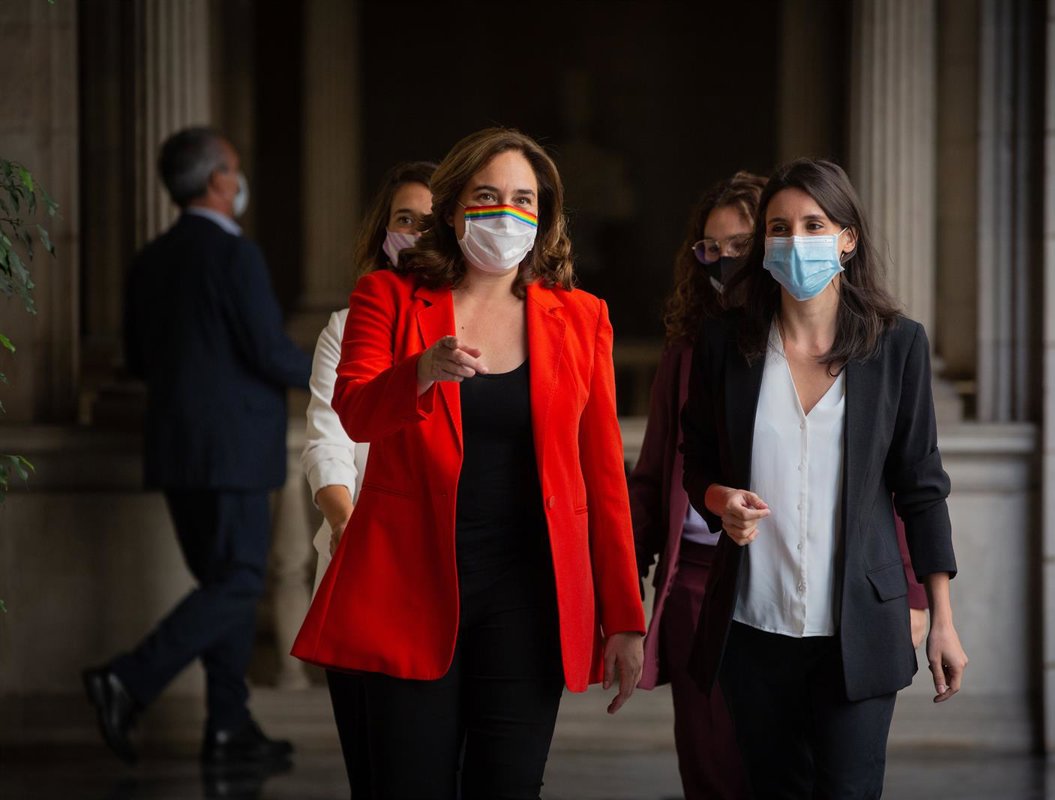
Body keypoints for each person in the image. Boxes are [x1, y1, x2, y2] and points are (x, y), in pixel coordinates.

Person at [291, 127, 646, 798]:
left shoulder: (581, 317)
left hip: (529, 599)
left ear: (543, 216)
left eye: (523, 199)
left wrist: (625, 617)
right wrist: (420, 371)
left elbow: (603, 478)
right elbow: (356, 412)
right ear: (452, 208)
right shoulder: (388, 297)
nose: (504, 213)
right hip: (408, 587)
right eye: (486, 196)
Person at [681, 158, 968, 798]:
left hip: (859, 630)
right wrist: (719, 499)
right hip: (753, 625)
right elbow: (695, 458)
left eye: (814, 225)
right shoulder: (725, 343)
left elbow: (922, 487)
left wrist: (942, 618)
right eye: (779, 228)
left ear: (847, 239)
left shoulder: (897, 346)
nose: (795, 240)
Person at [84, 127, 311, 766]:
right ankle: (126, 679)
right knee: (238, 581)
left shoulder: (149, 259)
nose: (238, 181)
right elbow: (268, 352)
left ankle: (228, 725)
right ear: (218, 181)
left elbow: (138, 358)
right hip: (233, 451)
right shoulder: (236, 256)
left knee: (221, 583)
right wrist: (342, 372)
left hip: (176, 450)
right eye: (233, 169)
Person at [299, 159, 435, 798]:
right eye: (404, 219)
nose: (416, 233)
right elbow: (328, 437)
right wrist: (346, 522)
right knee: (375, 771)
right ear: (384, 232)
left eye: (430, 222)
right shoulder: (347, 326)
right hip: (362, 567)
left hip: (447, 573)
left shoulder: (483, 326)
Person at [630, 171, 764, 800]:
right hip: (697, 583)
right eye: (712, 248)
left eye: (741, 245)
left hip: (787, 577)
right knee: (711, 767)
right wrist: (623, 588)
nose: (725, 262)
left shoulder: (824, 345)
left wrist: (914, 592)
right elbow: (655, 471)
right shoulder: (686, 350)